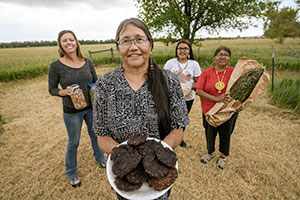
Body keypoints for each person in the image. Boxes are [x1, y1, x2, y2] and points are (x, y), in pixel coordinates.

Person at [92, 18, 189, 200]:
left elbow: (178, 130)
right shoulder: (104, 85)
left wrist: (155, 158)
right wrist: (129, 162)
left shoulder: (170, 81)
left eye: (139, 39)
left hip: (159, 171)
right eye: (126, 41)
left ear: (150, 45)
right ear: (118, 47)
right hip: (124, 174)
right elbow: (102, 137)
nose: (133, 46)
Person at [48, 30, 106, 187]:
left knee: (96, 135)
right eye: (64, 40)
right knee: (74, 142)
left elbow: (96, 81)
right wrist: (64, 92)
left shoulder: (87, 62)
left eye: (71, 39)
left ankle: (100, 159)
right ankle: (72, 173)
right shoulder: (55, 66)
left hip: (91, 108)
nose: (68, 42)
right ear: (60, 44)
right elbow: (52, 89)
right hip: (72, 111)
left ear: (76, 42)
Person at [194, 46, 243, 169]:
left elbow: (243, 90)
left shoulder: (234, 72)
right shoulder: (206, 73)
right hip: (209, 111)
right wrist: (216, 99)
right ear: (214, 58)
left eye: (226, 54)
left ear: (229, 58)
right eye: (219, 54)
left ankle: (222, 156)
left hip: (228, 111)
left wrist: (241, 104)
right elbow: (198, 91)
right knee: (209, 133)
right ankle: (210, 152)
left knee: (226, 133)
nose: (222, 57)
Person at [164, 39, 201, 147]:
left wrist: (192, 86)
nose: (182, 51)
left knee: (183, 118)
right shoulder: (170, 63)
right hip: (171, 97)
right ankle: (168, 136)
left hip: (188, 97)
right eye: (180, 48)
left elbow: (198, 79)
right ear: (177, 50)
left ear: (189, 51)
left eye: (185, 48)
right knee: (170, 117)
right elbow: (163, 78)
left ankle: (180, 138)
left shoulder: (194, 64)